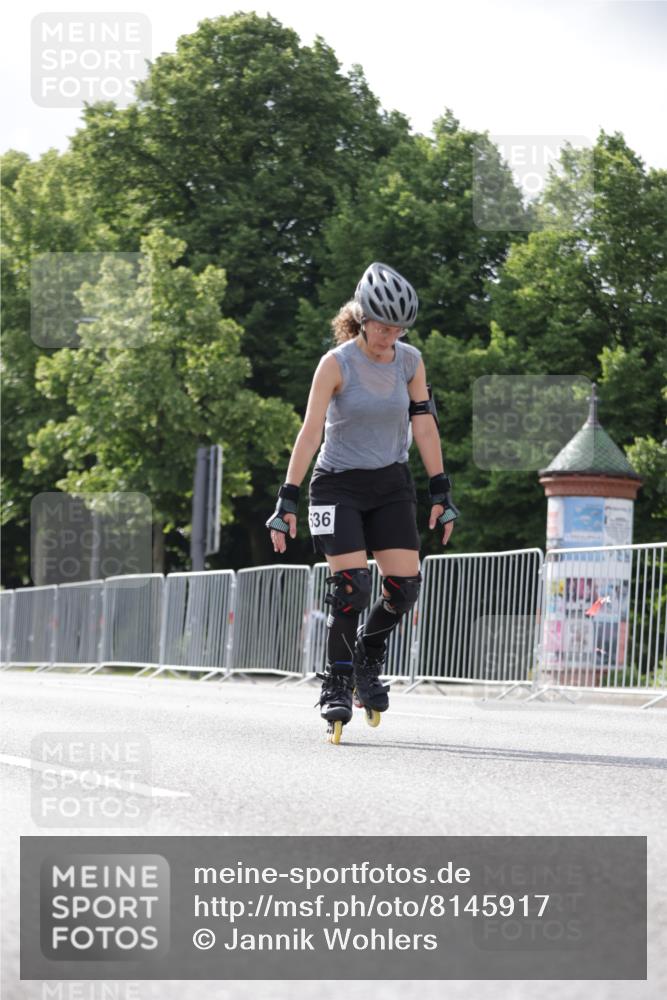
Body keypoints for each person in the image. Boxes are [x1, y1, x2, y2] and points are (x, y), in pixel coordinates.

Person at [266, 262, 459, 740]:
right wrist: (287, 499)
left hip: (391, 483)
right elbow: (311, 431)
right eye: (382, 326)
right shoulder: (336, 364)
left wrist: (441, 490)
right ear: (362, 317)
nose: (389, 336)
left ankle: (366, 660)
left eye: (398, 329)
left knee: (404, 589)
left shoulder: (410, 362)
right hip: (336, 485)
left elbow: (424, 426)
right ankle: (336, 681)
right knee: (352, 587)